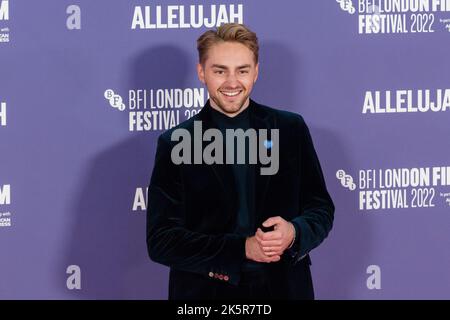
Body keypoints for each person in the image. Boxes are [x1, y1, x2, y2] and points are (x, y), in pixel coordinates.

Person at [146, 23, 334, 300]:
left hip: (285, 288)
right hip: (206, 294)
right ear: (202, 73)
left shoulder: (290, 129)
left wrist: (294, 232)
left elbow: (320, 208)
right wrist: (242, 249)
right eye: (220, 71)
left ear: (256, 72)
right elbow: (161, 241)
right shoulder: (175, 141)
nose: (232, 82)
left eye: (242, 70)